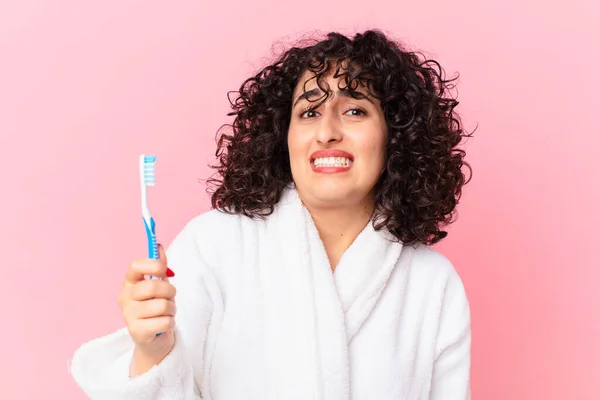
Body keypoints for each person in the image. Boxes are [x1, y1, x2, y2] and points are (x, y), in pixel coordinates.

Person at [70, 29, 473, 399]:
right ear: (284, 136)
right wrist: (153, 351)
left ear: (396, 134)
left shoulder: (432, 284)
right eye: (309, 113)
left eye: (354, 111)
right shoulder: (214, 246)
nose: (326, 131)